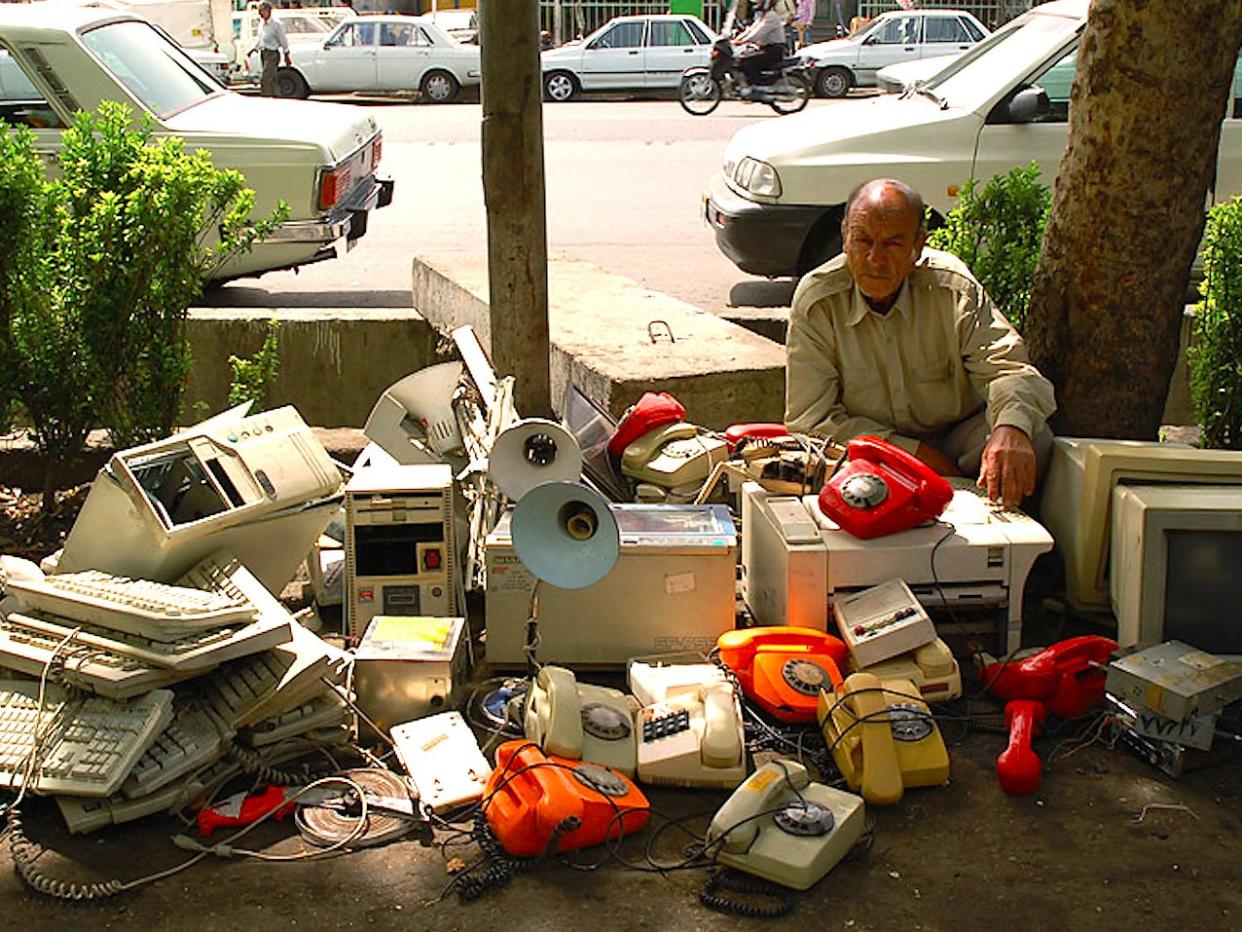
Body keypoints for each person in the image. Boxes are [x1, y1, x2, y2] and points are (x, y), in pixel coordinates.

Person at [784, 179, 1056, 508]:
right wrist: (918, 456)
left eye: (893, 244)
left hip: (958, 439)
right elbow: (810, 421)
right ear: (845, 238)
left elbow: (1009, 370)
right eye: (863, 241)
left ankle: (1020, 548)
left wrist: (1011, 427)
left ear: (918, 245)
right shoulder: (818, 301)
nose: (875, 258)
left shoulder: (952, 288)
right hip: (871, 453)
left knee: (1031, 436)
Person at [731, 0, 786, 90]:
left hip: (773, 50)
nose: (757, 3)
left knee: (747, 62)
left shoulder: (771, 16)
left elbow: (758, 33)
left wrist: (743, 41)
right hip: (766, 48)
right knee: (742, 56)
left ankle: (757, 87)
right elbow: (750, 30)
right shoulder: (763, 16)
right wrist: (736, 39)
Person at [247, 1, 291, 98]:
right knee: (272, 78)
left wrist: (286, 54)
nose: (261, 13)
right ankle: (277, 97)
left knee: (266, 78)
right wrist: (253, 49)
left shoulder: (276, 24)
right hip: (264, 53)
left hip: (272, 54)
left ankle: (266, 97)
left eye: (262, 10)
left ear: (268, 10)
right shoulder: (262, 23)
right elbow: (260, 39)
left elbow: (283, 40)